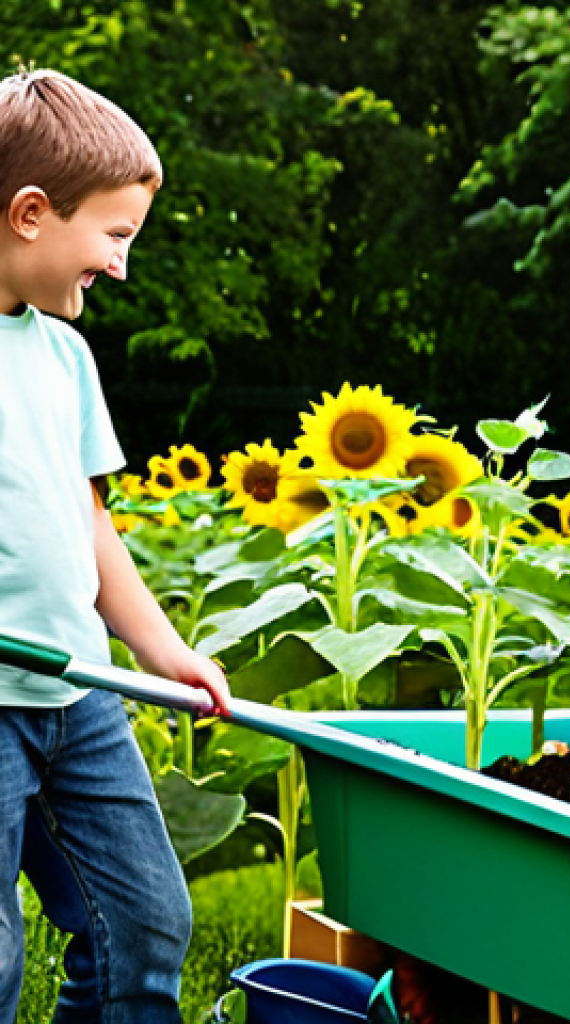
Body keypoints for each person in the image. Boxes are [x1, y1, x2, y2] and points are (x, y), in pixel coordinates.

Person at [0, 69, 230, 1024]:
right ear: (30, 213)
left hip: (81, 695)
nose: (123, 266)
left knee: (145, 920)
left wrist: (162, 650)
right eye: (116, 236)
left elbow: (91, 526)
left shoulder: (63, 356)